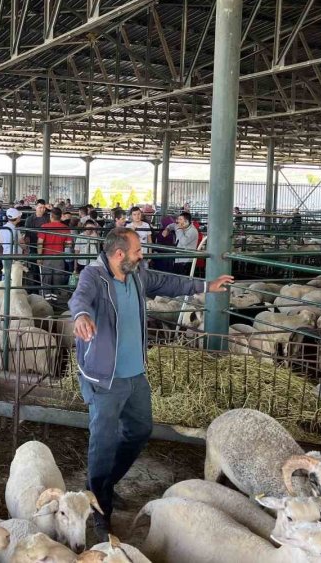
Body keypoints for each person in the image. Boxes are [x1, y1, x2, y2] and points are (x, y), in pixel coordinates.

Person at [69, 228, 233, 534]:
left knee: (140, 430)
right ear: (119, 254)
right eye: (137, 251)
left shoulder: (137, 274)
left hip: (134, 374)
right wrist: (80, 316)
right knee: (102, 443)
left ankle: (101, 484)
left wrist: (207, 286)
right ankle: (100, 509)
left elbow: (169, 282)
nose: (141, 255)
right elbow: (80, 299)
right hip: (104, 377)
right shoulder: (93, 277)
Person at [39, 207, 72, 300]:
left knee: (46, 279)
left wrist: (39, 257)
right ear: (60, 216)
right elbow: (69, 245)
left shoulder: (44, 227)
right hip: (59, 257)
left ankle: (47, 301)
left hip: (47, 257)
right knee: (58, 280)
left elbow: (40, 242)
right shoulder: (66, 228)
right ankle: (55, 301)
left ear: (51, 216)